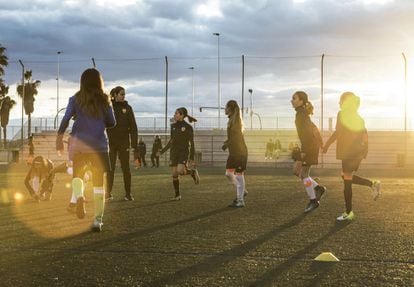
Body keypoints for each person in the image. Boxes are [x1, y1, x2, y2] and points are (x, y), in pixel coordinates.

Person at [56, 68, 115, 232]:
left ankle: (80, 197)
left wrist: (59, 137)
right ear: (99, 81)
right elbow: (112, 122)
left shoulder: (75, 99)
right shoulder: (105, 100)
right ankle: (98, 220)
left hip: (79, 145)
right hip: (99, 146)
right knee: (98, 184)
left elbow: (66, 118)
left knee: (77, 176)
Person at [322, 92, 381, 221]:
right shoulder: (359, 117)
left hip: (349, 152)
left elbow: (338, 132)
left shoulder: (342, 114)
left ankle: (349, 212)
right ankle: (372, 184)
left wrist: (326, 145)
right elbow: (365, 134)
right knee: (345, 176)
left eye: (340, 101)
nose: (339, 104)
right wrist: (365, 150)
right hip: (357, 152)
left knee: (347, 178)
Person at [291, 91, 327, 213]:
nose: (292, 100)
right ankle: (318, 188)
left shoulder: (301, 114)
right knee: (298, 172)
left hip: (309, 147)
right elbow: (312, 130)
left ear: (301, 101)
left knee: (303, 174)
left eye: (294, 98)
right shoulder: (301, 114)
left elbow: (308, 134)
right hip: (309, 146)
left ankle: (313, 201)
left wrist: (304, 151)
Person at [159, 107, 200, 200]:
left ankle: (192, 172)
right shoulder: (173, 126)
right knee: (174, 174)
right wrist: (162, 151)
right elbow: (171, 141)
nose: (174, 115)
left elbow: (192, 142)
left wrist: (192, 157)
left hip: (183, 152)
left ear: (182, 115)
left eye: (176, 113)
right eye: (175, 113)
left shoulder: (188, 127)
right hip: (174, 152)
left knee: (180, 171)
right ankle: (177, 195)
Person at [106, 86, 138, 201]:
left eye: (124, 94)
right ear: (114, 95)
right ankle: (108, 193)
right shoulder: (108, 106)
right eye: (121, 94)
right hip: (111, 143)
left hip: (124, 143)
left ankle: (128, 194)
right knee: (110, 168)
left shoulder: (128, 108)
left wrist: (134, 145)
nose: (124, 96)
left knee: (126, 169)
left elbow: (133, 127)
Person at [222, 100, 248, 207]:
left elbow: (236, 137)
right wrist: (227, 143)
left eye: (226, 107)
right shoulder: (231, 120)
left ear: (230, 109)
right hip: (234, 153)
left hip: (240, 152)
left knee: (238, 175)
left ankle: (240, 200)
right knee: (228, 174)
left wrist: (227, 144)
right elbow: (233, 137)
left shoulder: (236, 120)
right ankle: (243, 191)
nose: (225, 109)